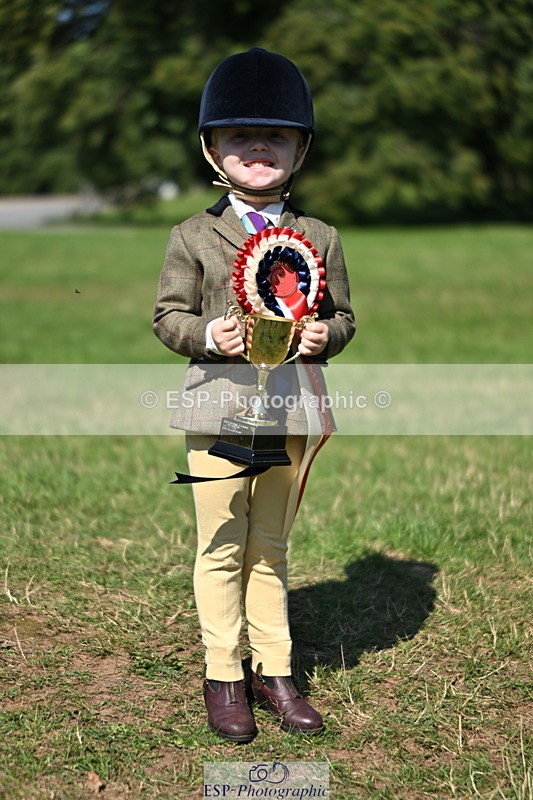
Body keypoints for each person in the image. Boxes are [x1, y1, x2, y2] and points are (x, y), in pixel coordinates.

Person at [153, 48, 355, 743]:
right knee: (220, 544)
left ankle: (275, 670)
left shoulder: (319, 237)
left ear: (299, 150)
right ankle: (223, 674)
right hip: (217, 409)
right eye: (240, 136)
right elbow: (166, 319)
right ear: (212, 149)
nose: (257, 147)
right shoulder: (191, 236)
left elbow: (344, 317)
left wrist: (323, 335)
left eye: (275, 136)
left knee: (269, 545)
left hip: (291, 409)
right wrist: (211, 332)